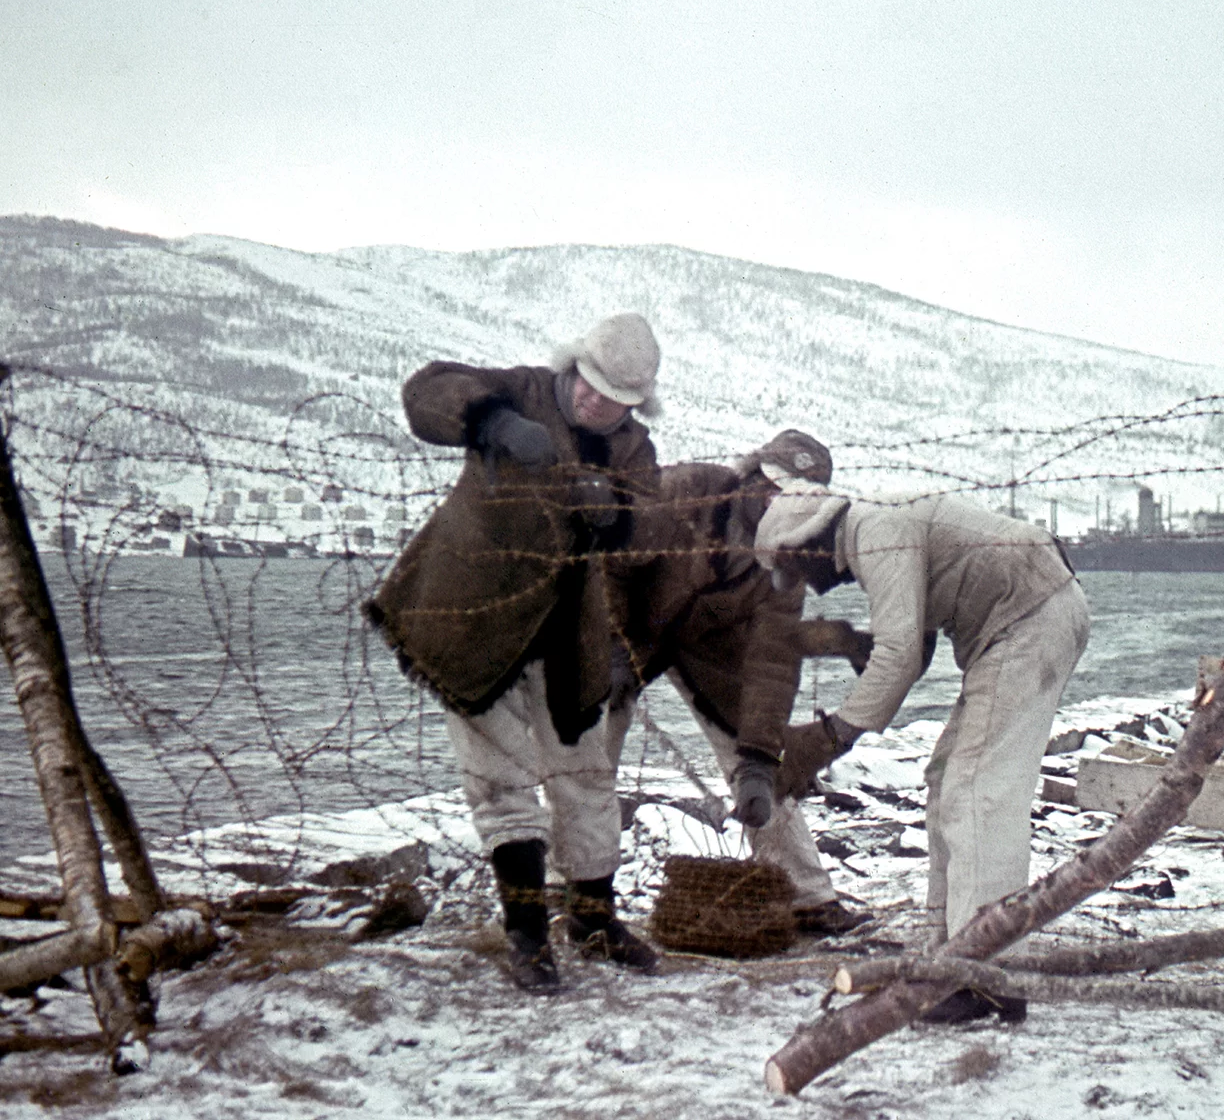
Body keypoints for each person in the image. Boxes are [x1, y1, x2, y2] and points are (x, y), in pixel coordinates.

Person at [365, 312, 667, 993]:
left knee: (586, 774)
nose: (596, 402)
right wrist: (490, 420)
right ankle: (528, 934)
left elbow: (652, 523)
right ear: (573, 367)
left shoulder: (632, 447)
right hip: (474, 615)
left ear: (634, 403)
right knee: (500, 780)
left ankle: (593, 919)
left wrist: (613, 510)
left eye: (614, 399)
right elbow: (426, 391)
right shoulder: (520, 390)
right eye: (589, 386)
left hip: (568, 634)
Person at [756, 472, 1089, 1023]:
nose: (805, 587)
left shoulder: (876, 530)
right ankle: (949, 949)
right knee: (946, 779)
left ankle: (988, 975)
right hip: (1022, 620)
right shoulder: (874, 528)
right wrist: (870, 682)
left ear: (809, 540)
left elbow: (901, 654)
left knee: (981, 792)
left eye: (793, 568)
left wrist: (829, 737)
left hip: (1031, 619)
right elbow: (916, 642)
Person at [618, 430, 873, 935]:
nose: (777, 502)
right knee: (586, 745)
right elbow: (607, 563)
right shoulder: (685, 490)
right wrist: (606, 647)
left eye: (794, 496)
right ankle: (571, 889)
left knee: (760, 761)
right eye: (773, 486)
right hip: (627, 629)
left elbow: (772, 662)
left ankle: (808, 898)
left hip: (712, 649)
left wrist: (758, 756)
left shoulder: (786, 561)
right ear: (751, 473)